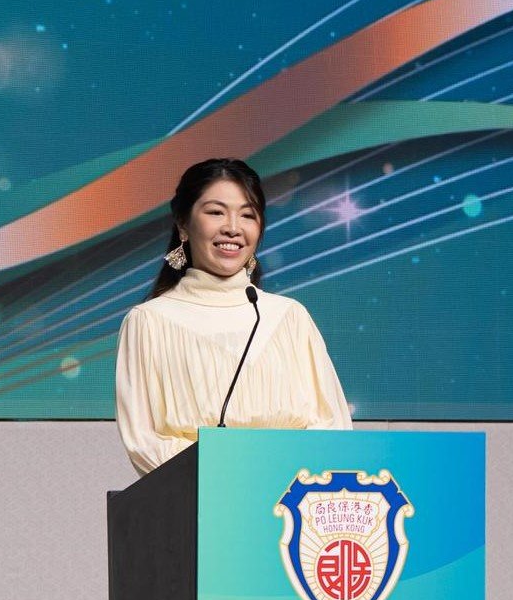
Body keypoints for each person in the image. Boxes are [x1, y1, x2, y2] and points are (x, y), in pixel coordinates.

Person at [115, 158, 352, 475]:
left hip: (293, 499)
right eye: (216, 212)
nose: (233, 227)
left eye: (248, 215)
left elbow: (333, 429)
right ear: (183, 224)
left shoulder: (290, 316)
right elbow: (145, 442)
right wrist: (233, 479)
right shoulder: (148, 322)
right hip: (199, 497)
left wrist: (280, 480)